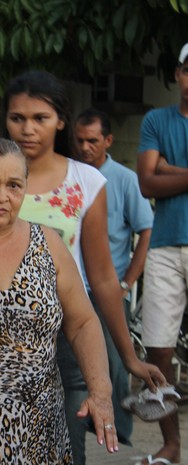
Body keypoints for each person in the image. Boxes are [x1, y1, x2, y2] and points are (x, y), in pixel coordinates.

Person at [3, 70, 165, 465]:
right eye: (17, 118)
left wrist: (127, 357)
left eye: (39, 118)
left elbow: (102, 277)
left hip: (67, 336)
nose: (27, 129)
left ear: (61, 120)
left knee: (65, 449)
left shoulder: (86, 181)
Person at [0, 136, 117, 464]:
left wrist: (100, 391)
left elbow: (83, 322)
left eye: (14, 185)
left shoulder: (48, 243)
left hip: (40, 431)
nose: (2, 196)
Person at [75, 108, 153, 446]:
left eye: (92, 140)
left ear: (108, 140)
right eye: (79, 140)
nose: (85, 147)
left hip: (106, 288)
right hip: (70, 286)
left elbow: (146, 229)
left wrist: (127, 282)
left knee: (118, 364)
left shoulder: (123, 178)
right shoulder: (70, 174)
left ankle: (119, 434)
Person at [135, 42, 188, 465]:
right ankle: (171, 447)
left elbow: (159, 175)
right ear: (178, 74)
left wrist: (172, 169)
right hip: (166, 245)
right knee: (157, 347)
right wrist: (160, 173)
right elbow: (147, 185)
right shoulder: (157, 119)